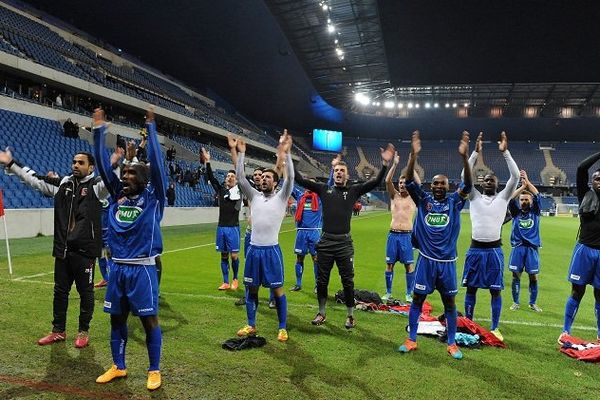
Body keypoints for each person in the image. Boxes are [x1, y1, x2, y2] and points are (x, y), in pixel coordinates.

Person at [0, 145, 120, 348]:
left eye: (81, 162)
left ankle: (83, 331)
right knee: (60, 292)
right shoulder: (64, 184)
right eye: (74, 162)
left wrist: (115, 165)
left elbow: (111, 182)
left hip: (85, 252)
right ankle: (58, 331)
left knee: (86, 293)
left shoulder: (97, 187)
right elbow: (35, 180)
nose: (75, 165)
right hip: (63, 251)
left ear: (91, 168)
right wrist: (11, 164)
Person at [93, 108, 165, 390]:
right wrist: (99, 131)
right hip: (117, 268)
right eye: (124, 172)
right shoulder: (118, 197)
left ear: (144, 180)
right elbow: (101, 164)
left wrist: (152, 128)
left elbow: (157, 165)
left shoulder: (154, 199)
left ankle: (154, 369)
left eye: (132, 173)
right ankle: (118, 366)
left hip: (143, 269)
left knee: (148, 321)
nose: (125, 176)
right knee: (116, 319)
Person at [294, 142, 395, 329]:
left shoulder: (354, 190)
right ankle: (321, 312)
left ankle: (350, 315)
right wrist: (287, 159)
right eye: (337, 171)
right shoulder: (324, 189)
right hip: (325, 242)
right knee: (321, 281)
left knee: (347, 281)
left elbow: (375, 182)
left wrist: (384, 165)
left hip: (344, 243)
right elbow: (301, 181)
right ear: (334, 174)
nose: (339, 173)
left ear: (347, 175)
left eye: (342, 171)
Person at [398, 130, 472, 360]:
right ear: (431, 186)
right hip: (426, 262)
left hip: (448, 263)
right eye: (436, 183)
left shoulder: (454, 202)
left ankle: (451, 343)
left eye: (443, 184)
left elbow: (468, 185)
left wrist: (464, 157)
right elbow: (409, 180)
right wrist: (413, 156)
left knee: (449, 302)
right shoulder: (423, 200)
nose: (439, 186)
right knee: (418, 300)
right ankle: (411, 340)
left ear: (448, 187)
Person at [230, 131, 294, 342]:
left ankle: (282, 327)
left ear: (275, 183)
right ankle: (251, 324)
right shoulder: (254, 196)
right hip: (254, 250)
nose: (264, 179)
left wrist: (288, 153)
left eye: (268, 177)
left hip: (271, 251)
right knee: (251, 289)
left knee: (277, 290)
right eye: (262, 177)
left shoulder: (282, 197)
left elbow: (290, 177)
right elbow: (240, 178)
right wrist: (241, 154)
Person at [461, 132, 519, 341]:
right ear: (481, 182)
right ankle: (469, 322)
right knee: (472, 288)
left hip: (494, 250)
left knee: (495, 290)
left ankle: (495, 327)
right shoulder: (474, 196)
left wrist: (505, 153)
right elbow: (464, 178)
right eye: (485, 179)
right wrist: (475, 152)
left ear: (497, 184)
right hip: (475, 249)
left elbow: (516, 177)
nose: (487, 181)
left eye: (491, 180)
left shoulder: (503, 198)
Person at [560, 150, 600, 342]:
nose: (599, 181)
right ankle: (566, 331)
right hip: (584, 250)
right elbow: (581, 167)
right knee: (577, 291)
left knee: (599, 295)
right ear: (592, 182)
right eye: (597, 178)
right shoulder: (585, 195)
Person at [201, 147, 242, 291]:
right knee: (224, 256)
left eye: (232, 176)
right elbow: (211, 178)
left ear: (236, 180)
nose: (229, 177)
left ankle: (235, 279)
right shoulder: (221, 190)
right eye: (228, 176)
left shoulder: (239, 191)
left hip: (233, 228)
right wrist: (208, 162)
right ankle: (225, 281)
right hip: (221, 227)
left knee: (234, 256)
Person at [383, 151, 418, 303]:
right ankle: (388, 292)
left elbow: (418, 183)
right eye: (400, 183)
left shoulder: (413, 197)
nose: (402, 185)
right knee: (389, 264)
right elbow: (387, 181)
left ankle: (409, 294)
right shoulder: (394, 196)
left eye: (405, 183)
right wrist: (395, 164)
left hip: (407, 237)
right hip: (393, 235)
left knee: (409, 266)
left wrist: (411, 163)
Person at [508, 170, 542, 312]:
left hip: (531, 249)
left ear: (531, 201)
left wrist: (527, 182)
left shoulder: (535, 212)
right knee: (516, 276)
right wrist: (522, 188)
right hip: (518, 248)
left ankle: (532, 303)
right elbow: (510, 199)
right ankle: (516, 302)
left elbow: (538, 194)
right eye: (522, 199)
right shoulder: (516, 213)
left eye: (526, 199)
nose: (523, 201)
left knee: (533, 277)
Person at [290, 182, 322, 292]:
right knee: (299, 258)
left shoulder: (320, 197)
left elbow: (329, 184)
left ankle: (318, 285)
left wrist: (333, 169)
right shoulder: (300, 196)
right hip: (301, 232)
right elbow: (289, 186)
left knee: (316, 259)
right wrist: (285, 171)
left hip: (314, 232)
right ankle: (298, 284)